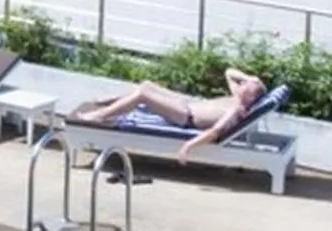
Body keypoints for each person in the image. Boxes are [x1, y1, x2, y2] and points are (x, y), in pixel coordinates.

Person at [70, 67, 269, 163]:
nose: (241, 85)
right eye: (242, 84)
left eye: (245, 86)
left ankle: (101, 115)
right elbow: (229, 72)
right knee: (147, 84)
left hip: (184, 116)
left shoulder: (235, 108)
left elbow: (215, 132)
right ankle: (112, 102)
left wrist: (188, 146)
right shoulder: (238, 97)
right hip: (187, 104)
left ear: (250, 97)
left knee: (143, 94)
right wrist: (251, 78)